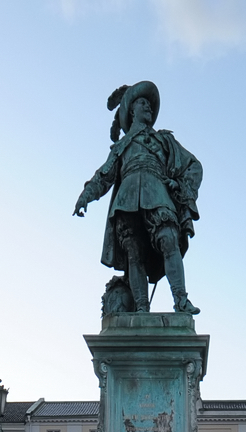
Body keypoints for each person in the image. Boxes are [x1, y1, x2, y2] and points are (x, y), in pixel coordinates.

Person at [75, 81, 203, 316]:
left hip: (158, 192)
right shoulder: (121, 146)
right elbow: (104, 176)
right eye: (143, 103)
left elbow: (194, 166)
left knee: (169, 239)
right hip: (127, 199)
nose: (149, 108)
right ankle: (141, 310)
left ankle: (181, 301)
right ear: (131, 110)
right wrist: (86, 196)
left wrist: (181, 186)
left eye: (150, 105)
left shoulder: (164, 141)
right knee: (134, 252)